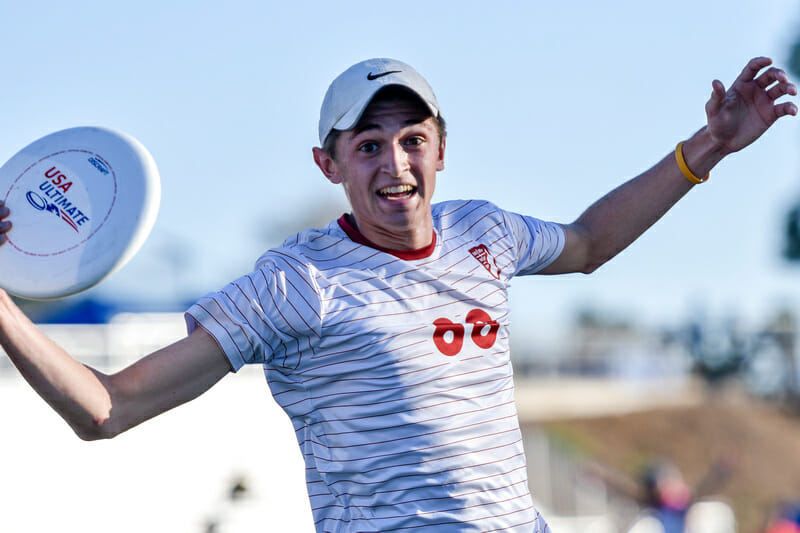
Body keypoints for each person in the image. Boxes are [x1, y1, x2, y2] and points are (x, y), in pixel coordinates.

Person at [0, 56, 795, 532]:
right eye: (369, 145)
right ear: (329, 164)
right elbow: (106, 409)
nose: (396, 165)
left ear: (443, 148)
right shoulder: (294, 284)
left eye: (413, 139)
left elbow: (588, 243)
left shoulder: (487, 233)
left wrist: (707, 149)